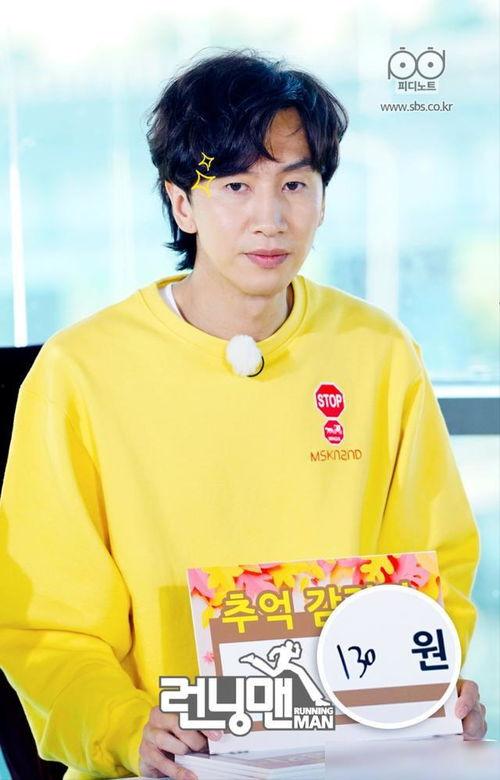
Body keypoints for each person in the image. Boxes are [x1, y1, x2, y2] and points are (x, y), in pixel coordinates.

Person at [0, 47, 487, 780]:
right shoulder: (80, 371)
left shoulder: (378, 352)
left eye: (295, 183)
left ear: (322, 199)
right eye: (235, 185)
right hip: (168, 762)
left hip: (353, 755)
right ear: (182, 203)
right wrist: (125, 726)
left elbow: (433, 569)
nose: (271, 218)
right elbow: (46, 625)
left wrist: (424, 690)